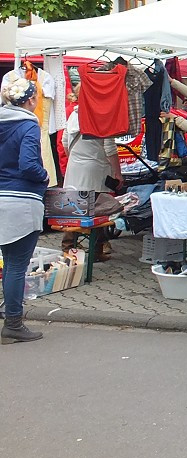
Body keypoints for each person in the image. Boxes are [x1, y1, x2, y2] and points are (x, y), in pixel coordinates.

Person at [0, 75, 48, 344]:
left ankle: (11, 315)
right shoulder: (28, 125)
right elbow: (29, 165)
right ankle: (14, 323)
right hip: (20, 200)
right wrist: (43, 177)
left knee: (8, 263)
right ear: (30, 100)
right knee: (16, 265)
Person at [62, 81, 122, 258]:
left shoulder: (74, 114)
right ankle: (97, 250)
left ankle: (68, 250)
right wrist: (117, 172)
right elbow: (110, 148)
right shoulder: (103, 115)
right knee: (98, 211)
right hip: (95, 168)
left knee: (72, 210)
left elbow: (65, 142)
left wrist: (75, 158)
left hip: (75, 168)